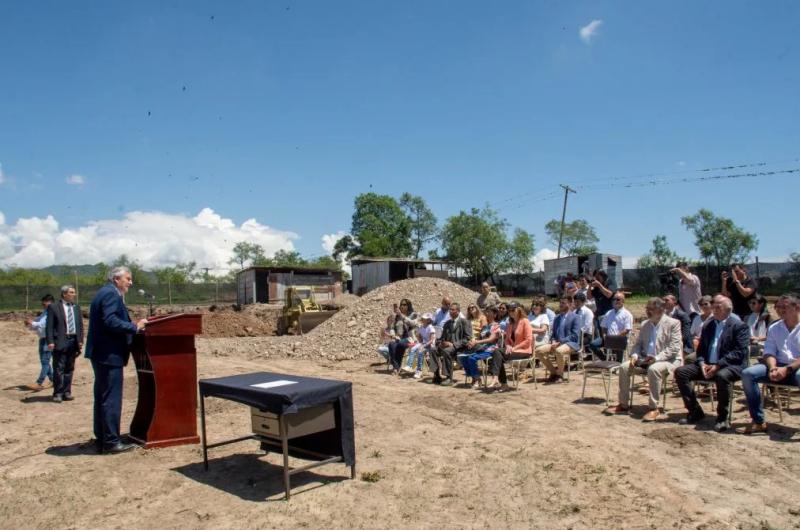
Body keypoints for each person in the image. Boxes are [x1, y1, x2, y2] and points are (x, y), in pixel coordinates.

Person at [85, 266, 147, 454]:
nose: (130, 282)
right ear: (116, 279)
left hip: (101, 353)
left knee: (102, 397)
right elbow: (110, 321)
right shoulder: (111, 294)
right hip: (109, 354)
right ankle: (111, 442)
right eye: (127, 278)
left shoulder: (104, 293)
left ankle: (102, 437)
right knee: (111, 398)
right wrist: (134, 326)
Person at [674, 295, 749, 432]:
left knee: (722, 376)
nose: (714, 308)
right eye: (713, 305)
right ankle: (695, 411)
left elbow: (739, 352)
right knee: (681, 372)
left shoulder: (739, 326)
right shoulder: (709, 325)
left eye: (718, 306)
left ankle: (722, 417)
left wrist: (718, 365)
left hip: (731, 366)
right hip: (708, 364)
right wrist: (702, 363)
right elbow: (701, 349)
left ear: (728, 308)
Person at [604, 297, 682, 421]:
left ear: (661, 310)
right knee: (624, 367)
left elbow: (674, 348)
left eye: (651, 309)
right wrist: (634, 356)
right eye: (647, 308)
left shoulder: (673, 323)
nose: (647, 311)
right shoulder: (645, 324)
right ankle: (623, 404)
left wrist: (656, 358)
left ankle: (653, 408)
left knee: (654, 369)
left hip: (668, 360)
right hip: (645, 360)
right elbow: (638, 344)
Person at [740, 293, 800, 434]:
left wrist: (787, 369)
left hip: (796, 368)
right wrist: (773, 367)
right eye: (777, 306)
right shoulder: (775, 327)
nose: (779, 310)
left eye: (784, 307)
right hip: (777, 365)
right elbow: (769, 351)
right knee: (748, 374)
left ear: (797, 307)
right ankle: (759, 421)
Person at [46, 285, 83, 403]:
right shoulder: (54, 307)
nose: (74, 294)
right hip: (60, 341)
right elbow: (49, 326)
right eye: (71, 292)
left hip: (73, 341)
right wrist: (50, 341)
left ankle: (67, 392)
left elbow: (80, 325)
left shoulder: (76, 307)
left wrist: (80, 340)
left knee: (70, 368)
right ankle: (57, 393)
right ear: (64, 294)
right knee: (58, 368)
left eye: (74, 292)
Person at [534, 297, 581, 382]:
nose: (561, 305)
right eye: (560, 303)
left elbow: (574, 336)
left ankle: (560, 374)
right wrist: (552, 341)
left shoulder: (576, 317)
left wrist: (559, 342)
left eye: (563, 303)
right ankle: (554, 372)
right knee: (538, 351)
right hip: (557, 343)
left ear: (570, 304)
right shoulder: (557, 317)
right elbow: (553, 333)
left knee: (559, 351)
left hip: (570, 343)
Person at [489, 303, 533, 389]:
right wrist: (508, 345)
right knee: (497, 354)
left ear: (519, 309)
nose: (511, 312)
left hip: (523, 351)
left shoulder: (525, 321)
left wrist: (514, 348)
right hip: (512, 350)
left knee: (497, 353)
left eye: (513, 310)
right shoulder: (510, 323)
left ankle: (497, 379)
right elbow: (507, 339)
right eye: (509, 311)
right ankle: (500, 381)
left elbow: (528, 340)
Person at [430, 302, 471, 386]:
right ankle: (436, 375)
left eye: (453, 310)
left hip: (460, 347)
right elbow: (442, 338)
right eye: (450, 310)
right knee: (433, 349)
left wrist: (454, 344)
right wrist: (441, 343)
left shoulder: (464, 322)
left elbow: (467, 338)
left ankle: (449, 378)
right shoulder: (447, 323)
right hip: (448, 346)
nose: (450, 311)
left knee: (447, 351)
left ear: (458, 311)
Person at [460, 307, 502, 388]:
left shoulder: (496, 326)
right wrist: (472, 342)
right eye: (486, 312)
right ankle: (474, 377)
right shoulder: (485, 327)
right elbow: (479, 338)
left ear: (495, 314)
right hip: (481, 348)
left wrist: (477, 342)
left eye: (489, 312)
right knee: (463, 357)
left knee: (471, 358)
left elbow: (491, 339)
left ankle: (477, 379)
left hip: (491, 349)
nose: (486, 314)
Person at [588, 291, 633, 361]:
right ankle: (605, 359)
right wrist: (604, 335)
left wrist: (615, 337)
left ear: (623, 301)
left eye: (618, 299)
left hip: (620, 338)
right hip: (608, 337)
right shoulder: (609, 313)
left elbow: (627, 330)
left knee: (617, 343)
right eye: (613, 299)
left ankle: (619, 362)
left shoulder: (627, 314)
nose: (615, 301)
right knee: (593, 344)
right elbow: (604, 327)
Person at [25, 294, 55, 390]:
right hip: (43, 339)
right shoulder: (45, 312)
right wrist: (30, 324)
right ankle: (54, 380)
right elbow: (37, 323)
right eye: (43, 302)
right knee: (44, 361)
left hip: (48, 339)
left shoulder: (52, 312)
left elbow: (44, 325)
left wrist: (32, 323)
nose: (43, 303)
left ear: (51, 302)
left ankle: (39, 382)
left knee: (45, 361)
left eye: (45, 302)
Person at [387, 299, 417, 373]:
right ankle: (396, 367)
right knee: (391, 344)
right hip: (399, 338)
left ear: (408, 306)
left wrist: (401, 315)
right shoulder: (396, 317)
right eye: (401, 305)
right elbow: (392, 328)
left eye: (404, 305)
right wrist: (393, 335)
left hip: (410, 338)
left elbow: (413, 324)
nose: (402, 306)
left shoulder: (413, 315)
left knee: (400, 344)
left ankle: (396, 367)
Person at [402, 313, 436, 379]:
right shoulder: (421, 327)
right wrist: (418, 338)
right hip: (423, 343)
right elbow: (420, 338)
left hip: (430, 345)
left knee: (420, 351)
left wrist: (423, 345)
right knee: (413, 349)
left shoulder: (431, 328)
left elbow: (432, 340)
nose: (423, 319)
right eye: (423, 318)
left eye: (425, 319)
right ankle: (409, 365)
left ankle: (419, 371)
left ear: (429, 320)